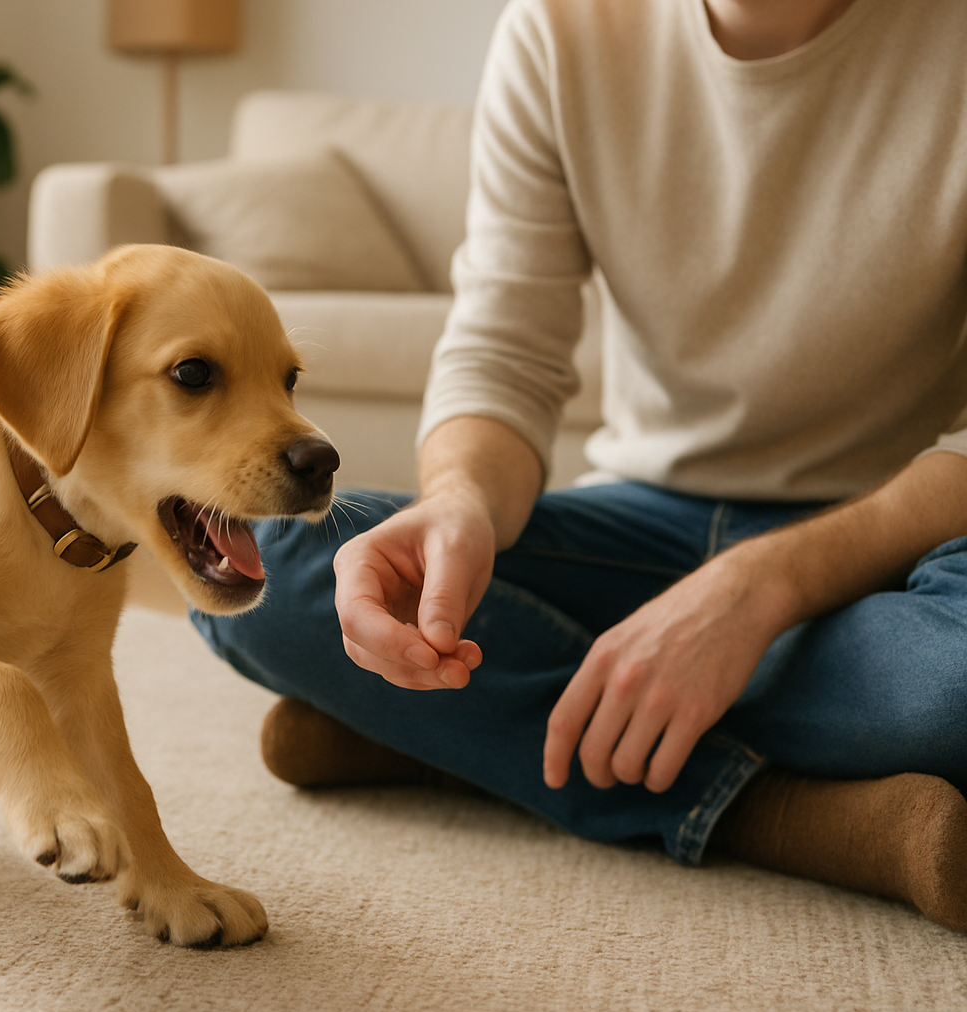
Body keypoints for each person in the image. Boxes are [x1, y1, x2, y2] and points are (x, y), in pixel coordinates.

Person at [191, 0, 967, 931]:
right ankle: (792, 819)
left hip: (896, 547)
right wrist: (462, 503)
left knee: (950, 685)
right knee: (256, 559)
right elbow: (505, 353)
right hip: (645, 521)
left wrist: (757, 590)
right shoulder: (562, 29)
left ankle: (449, 742)